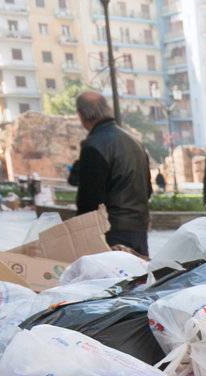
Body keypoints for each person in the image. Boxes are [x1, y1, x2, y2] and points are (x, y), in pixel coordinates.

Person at [70, 90, 151, 256]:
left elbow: (89, 201)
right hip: (138, 228)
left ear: (81, 115)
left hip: (111, 232)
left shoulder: (94, 146)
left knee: (111, 280)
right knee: (138, 279)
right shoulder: (135, 143)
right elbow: (147, 190)